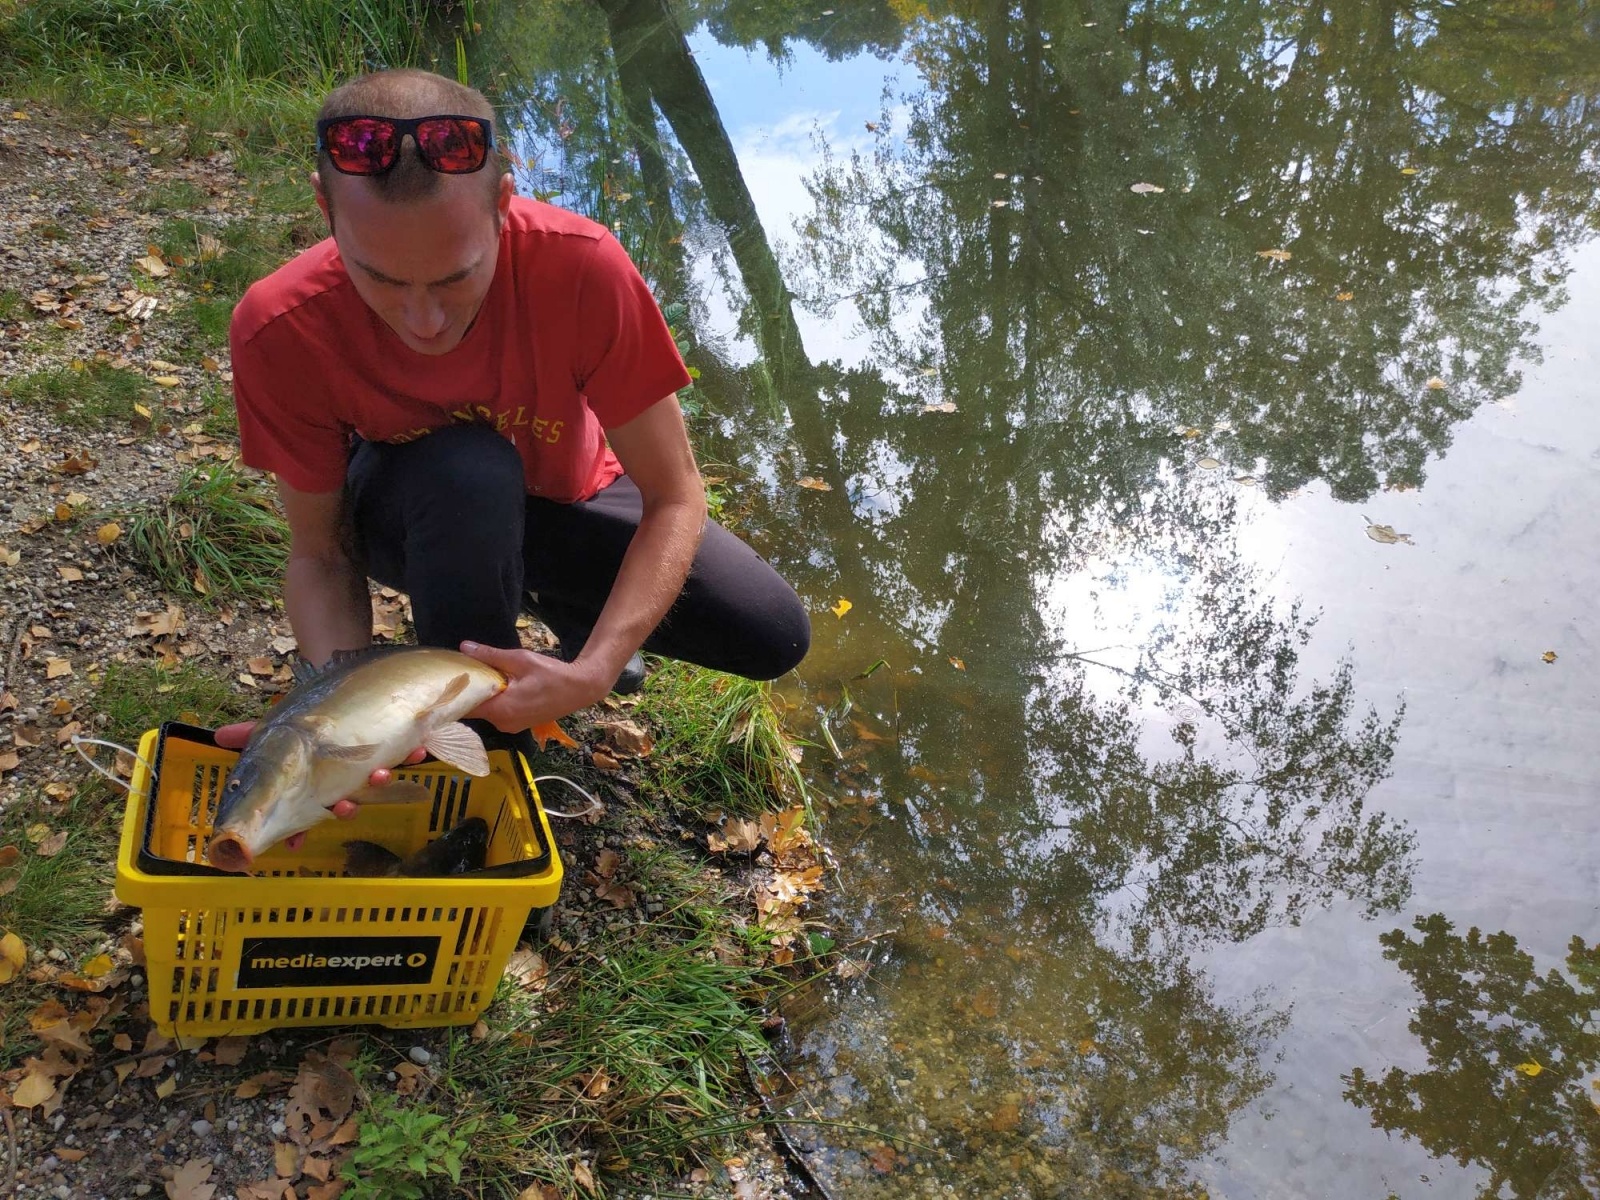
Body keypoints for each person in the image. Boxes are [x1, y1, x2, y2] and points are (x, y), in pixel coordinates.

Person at [214, 67, 810, 821]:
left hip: (568, 494)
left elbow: (675, 496)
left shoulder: (582, 265)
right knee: (469, 475)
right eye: (381, 280)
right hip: (416, 510)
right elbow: (321, 553)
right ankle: (492, 762)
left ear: (503, 205)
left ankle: (564, 618)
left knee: (769, 632)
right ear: (324, 209)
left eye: (455, 279)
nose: (424, 322)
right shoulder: (278, 326)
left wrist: (596, 669)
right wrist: (330, 717)